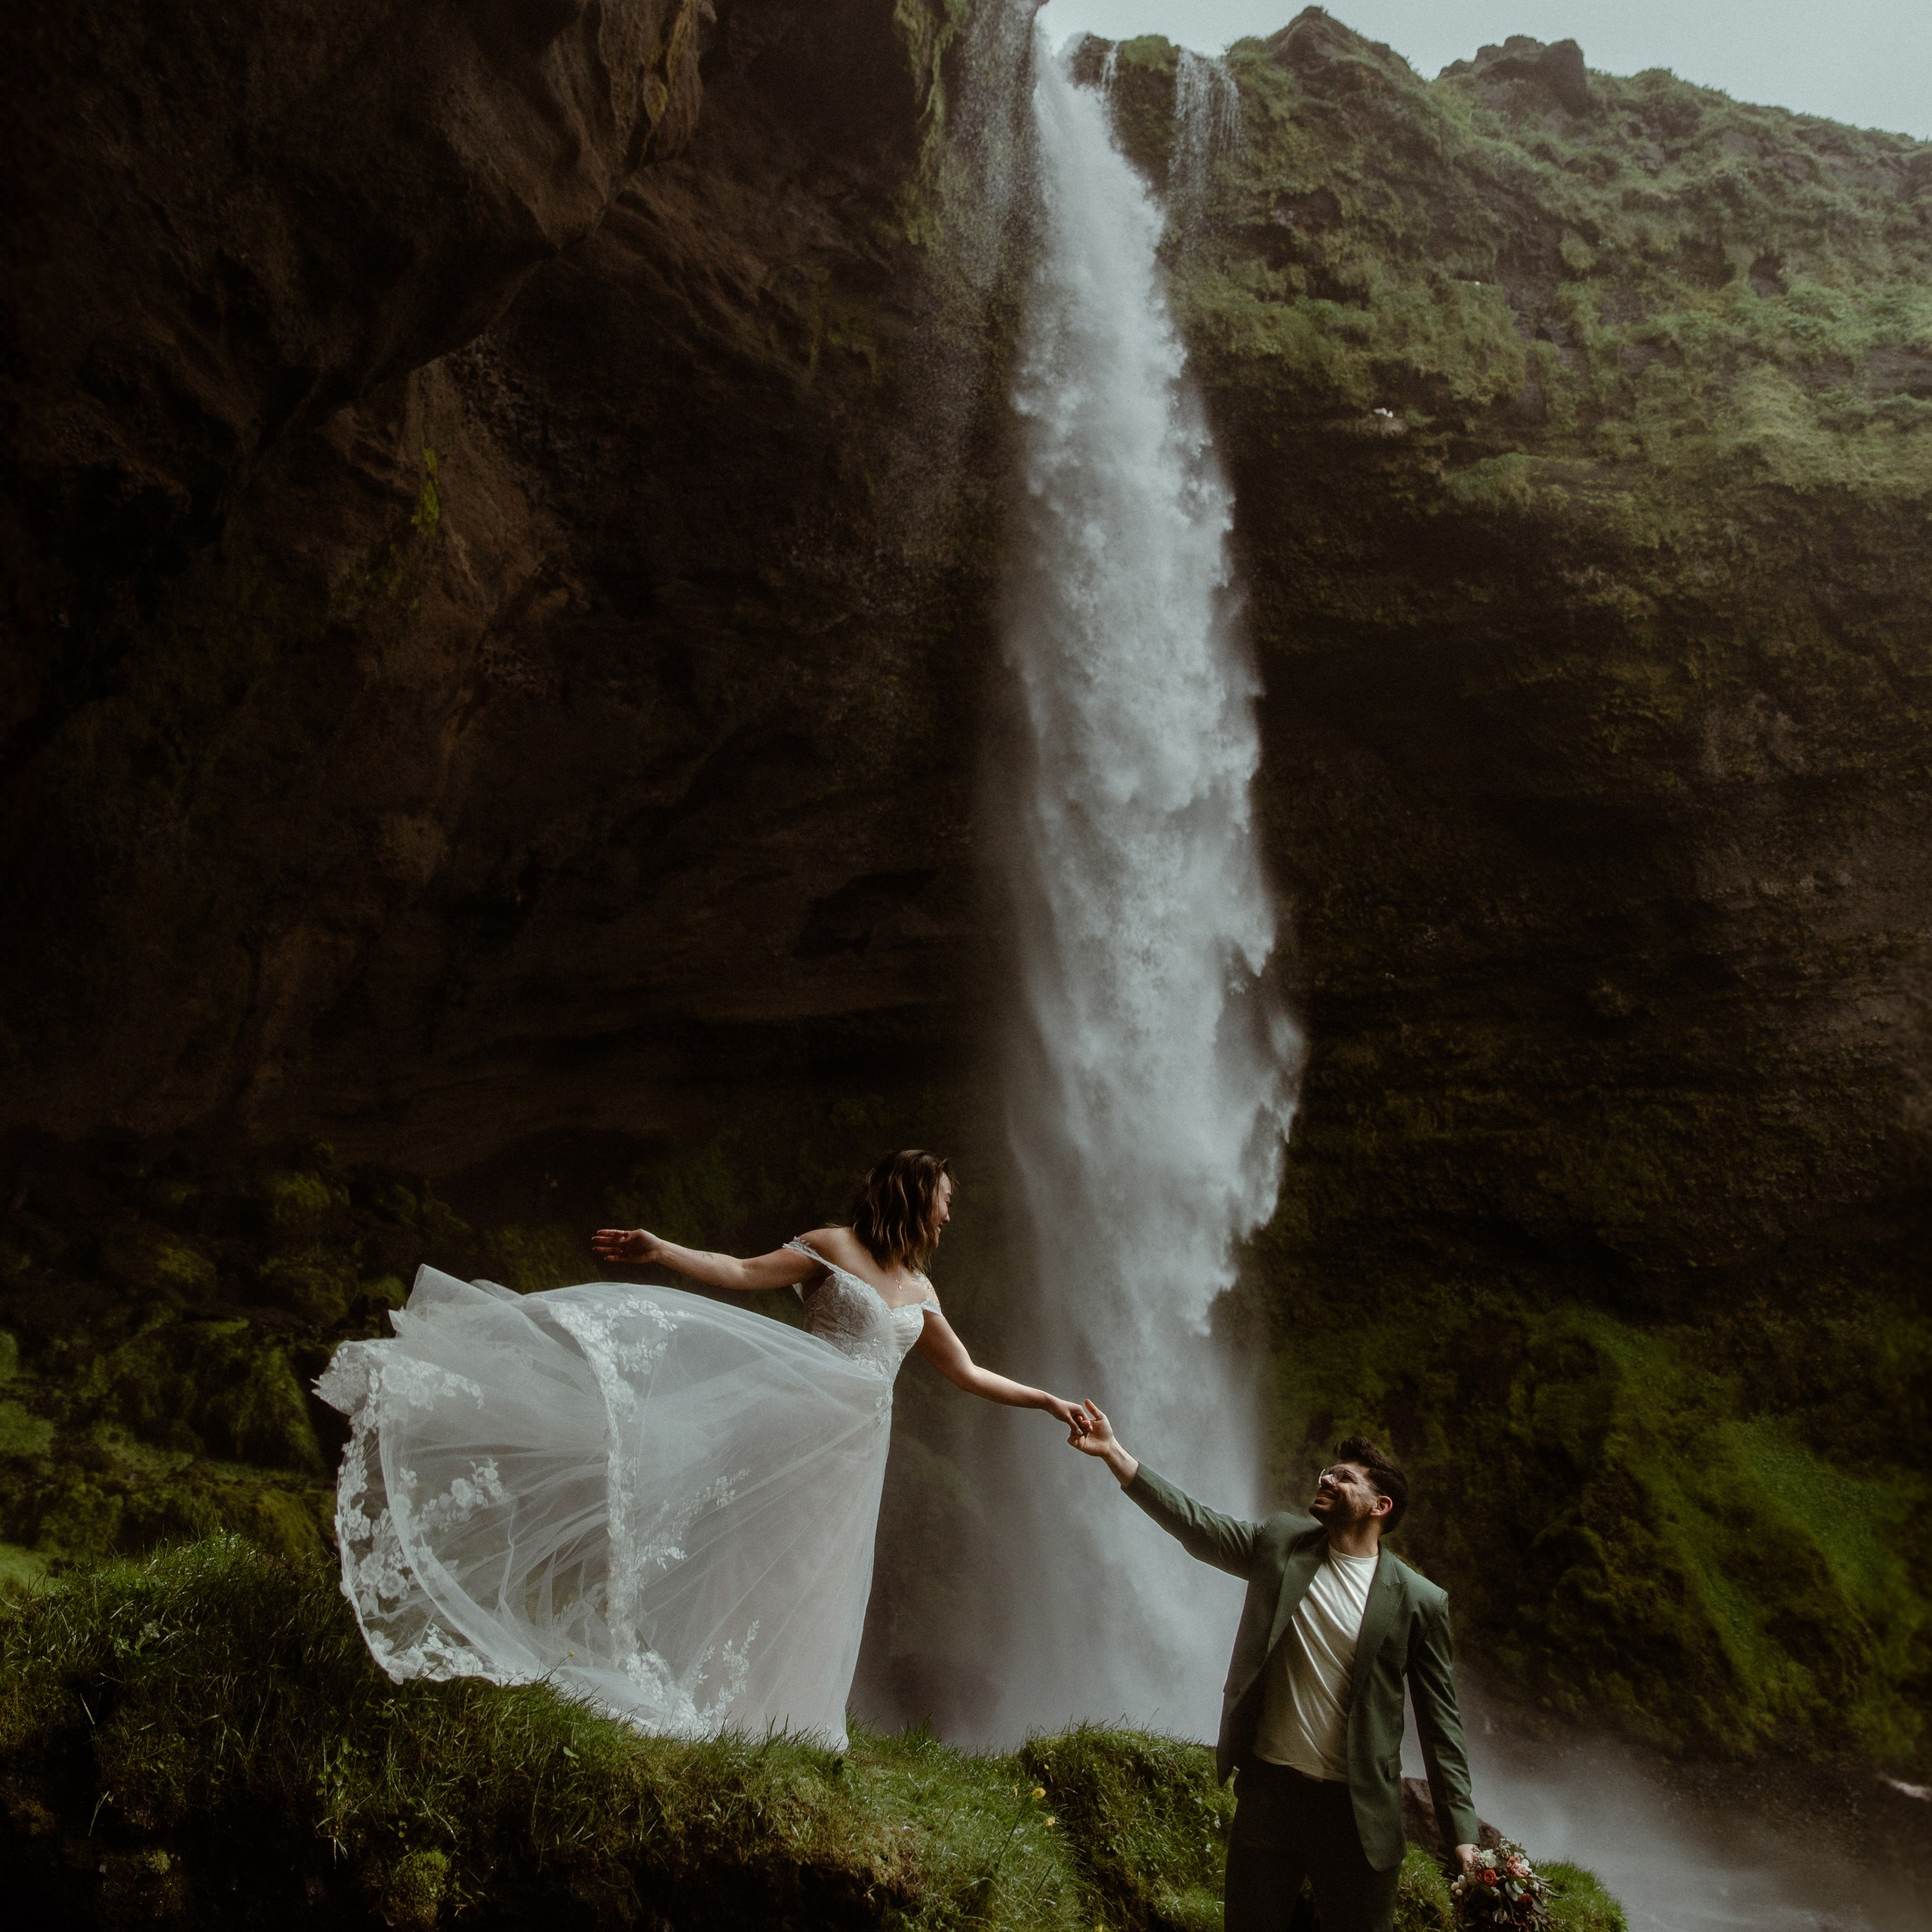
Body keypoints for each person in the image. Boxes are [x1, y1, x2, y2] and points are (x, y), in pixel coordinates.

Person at [318, 1149, 1084, 1749]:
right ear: (915, 1196)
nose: (948, 1219)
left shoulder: (921, 1290)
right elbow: (743, 1271)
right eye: (944, 1204)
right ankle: (702, 1691)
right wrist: (662, 1250)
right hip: (791, 1418)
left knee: (811, 1571)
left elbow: (966, 1370)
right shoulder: (832, 1246)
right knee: (748, 1552)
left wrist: (1047, 1400)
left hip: (851, 1454)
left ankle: (779, 1717)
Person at [1066, 1404, 1479, 1932]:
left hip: (1356, 1814)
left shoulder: (1420, 1601)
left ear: (1381, 1505)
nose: (1325, 1477)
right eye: (1327, 1471)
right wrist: (1114, 1453)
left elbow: (1442, 1729)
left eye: (1344, 1477)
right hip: (1270, 1798)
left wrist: (1463, 1838)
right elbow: (1199, 1526)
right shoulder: (1282, 1544)